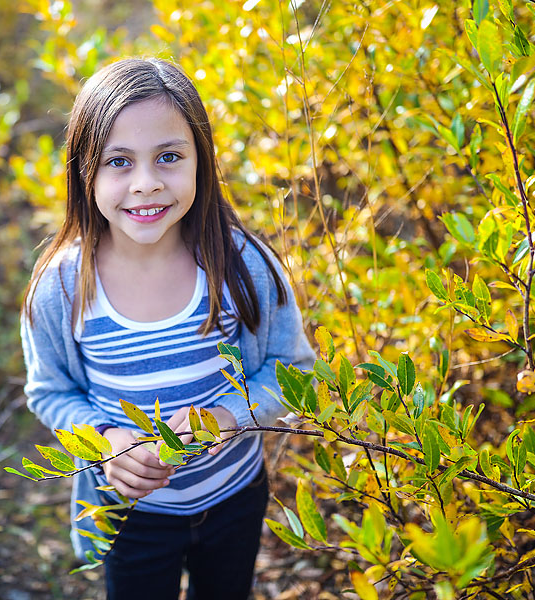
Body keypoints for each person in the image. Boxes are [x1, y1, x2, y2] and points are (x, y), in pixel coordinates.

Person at [19, 57, 315, 600]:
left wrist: (229, 416)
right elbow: (51, 390)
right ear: (84, 170)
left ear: (202, 160)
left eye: (170, 157)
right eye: (118, 162)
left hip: (233, 497)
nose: (146, 183)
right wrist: (105, 442)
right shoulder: (62, 287)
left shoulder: (242, 265)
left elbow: (292, 368)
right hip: (128, 513)